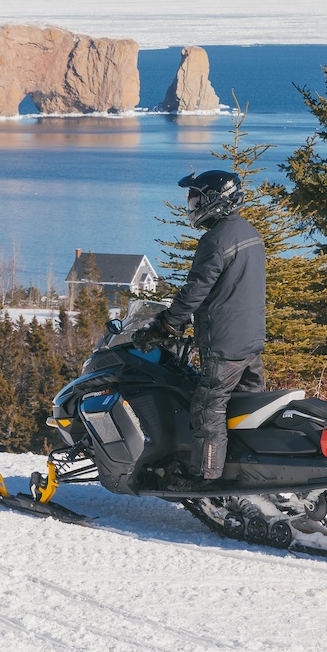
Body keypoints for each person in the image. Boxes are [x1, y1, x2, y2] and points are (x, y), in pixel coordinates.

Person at [135, 170, 265, 483]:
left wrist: (166, 324)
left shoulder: (215, 241)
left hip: (225, 344)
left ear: (215, 200)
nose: (191, 206)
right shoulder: (250, 233)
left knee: (209, 407)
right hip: (250, 338)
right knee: (245, 410)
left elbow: (195, 290)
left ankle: (206, 477)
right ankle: (249, 467)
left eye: (195, 199)